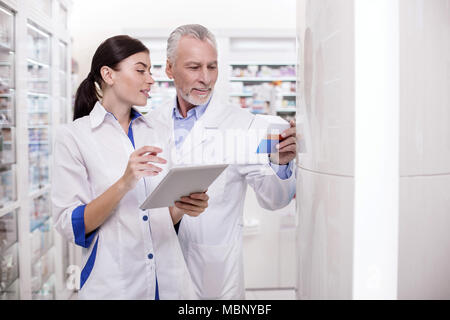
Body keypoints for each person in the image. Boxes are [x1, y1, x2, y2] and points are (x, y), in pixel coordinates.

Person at [51, 35, 209, 299]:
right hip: (114, 283)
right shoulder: (74, 136)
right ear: (108, 74)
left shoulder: (157, 131)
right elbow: (70, 224)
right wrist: (125, 182)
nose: (150, 79)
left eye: (150, 71)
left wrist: (181, 208)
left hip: (168, 280)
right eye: (140, 70)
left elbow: (158, 219)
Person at [148, 25, 297, 299]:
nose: (205, 78)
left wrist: (279, 163)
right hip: (155, 268)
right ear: (169, 69)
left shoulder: (246, 125)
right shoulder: (148, 124)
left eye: (212, 67)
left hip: (214, 273)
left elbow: (274, 200)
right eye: (194, 67)